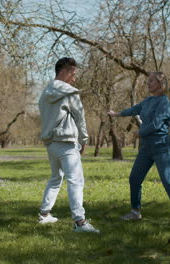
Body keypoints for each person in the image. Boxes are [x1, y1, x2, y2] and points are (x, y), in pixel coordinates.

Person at [108, 72, 170, 232]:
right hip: (146, 148)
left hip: (160, 146)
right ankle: (135, 212)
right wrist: (118, 114)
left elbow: (156, 123)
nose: (148, 83)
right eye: (148, 81)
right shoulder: (147, 101)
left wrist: (140, 132)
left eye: (151, 81)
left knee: (168, 181)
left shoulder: (164, 102)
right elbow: (135, 109)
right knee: (134, 178)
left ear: (160, 83)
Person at [37, 57, 99, 233]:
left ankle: (44, 214)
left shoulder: (44, 93)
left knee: (56, 178)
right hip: (66, 142)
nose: (74, 78)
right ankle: (80, 222)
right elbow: (80, 118)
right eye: (73, 73)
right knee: (76, 180)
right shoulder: (70, 93)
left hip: (51, 143)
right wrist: (84, 140)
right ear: (63, 71)